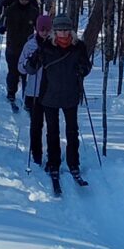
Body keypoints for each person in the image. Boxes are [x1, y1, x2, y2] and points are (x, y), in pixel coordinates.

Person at [34, 19, 92, 193]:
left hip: (70, 94)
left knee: (72, 131)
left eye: (66, 30)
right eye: (60, 30)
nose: (63, 33)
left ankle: (74, 163)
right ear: (55, 32)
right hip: (50, 94)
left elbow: (86, 66)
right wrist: (34, 61)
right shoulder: (46, 46)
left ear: (71, 31)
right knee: (52, 131)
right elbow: (31, 67)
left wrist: (82, 69)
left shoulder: (78, 46)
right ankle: (53, 162)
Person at [0, 0, 38, 109]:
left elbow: (37, 17)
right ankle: (11, 92)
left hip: (27, 43)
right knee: (13, 70)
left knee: (26, 70)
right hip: (12, 41)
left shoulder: (31, 0)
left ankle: (26, 95)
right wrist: (2, 26)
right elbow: (1, 10)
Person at [19, 12, 52, 161]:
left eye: (47, 29)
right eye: (42, 29)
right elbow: (20, 67)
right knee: (36, 125)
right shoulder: (30, 45)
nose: (44, 32)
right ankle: (36, 154)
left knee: (52, 126)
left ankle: (52, 155)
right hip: (34, 92)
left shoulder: (55, 45)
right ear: (37, 29)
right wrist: (30, 63)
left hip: (51, 92)